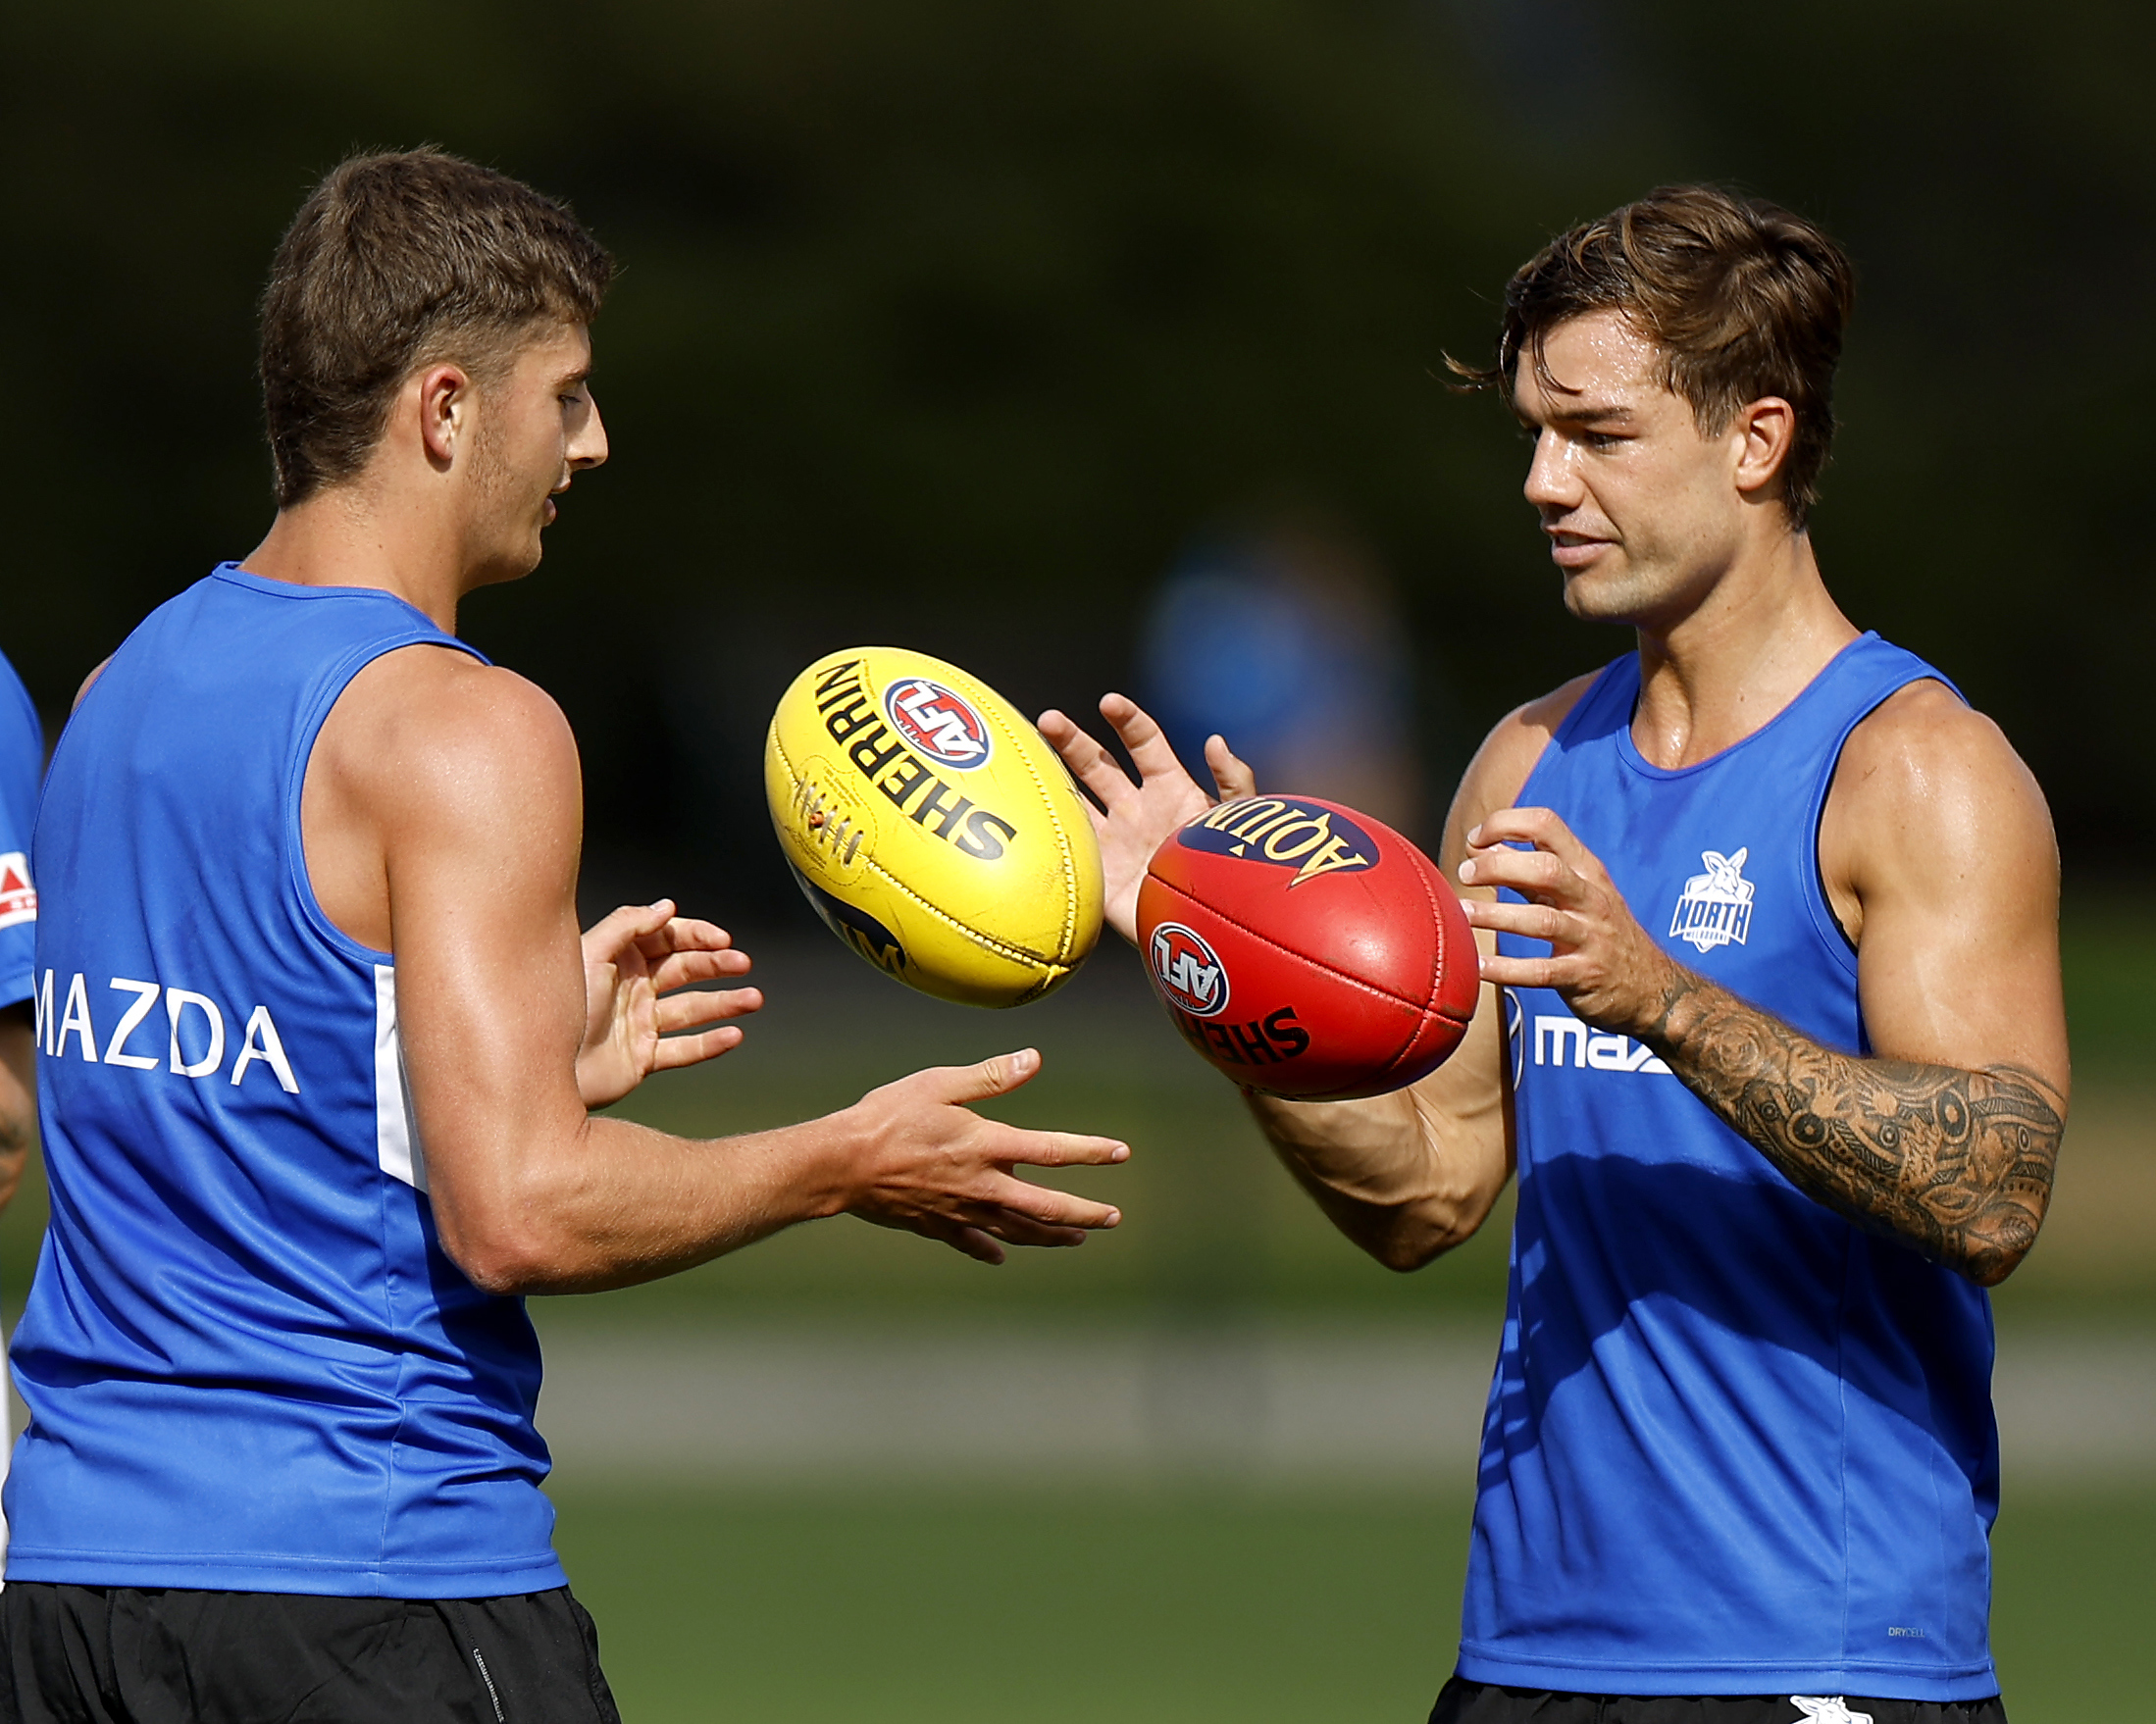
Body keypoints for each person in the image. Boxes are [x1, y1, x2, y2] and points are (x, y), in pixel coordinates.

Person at [0, 148, 1127, 1722]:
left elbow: (160, 1107)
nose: (593, 442)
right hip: (369, 1588)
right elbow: (516, 1215)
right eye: (569, 395)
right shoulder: (465, 727)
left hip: (68, 1600)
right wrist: (842, 1157)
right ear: (447, 410)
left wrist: (498, 1065)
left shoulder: (114, 694)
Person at [1042, 186, 2063, 1724]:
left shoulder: (1909, 767)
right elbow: (1425, 1190)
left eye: (1592, 434)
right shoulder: (1525, 762)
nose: (1539, 480)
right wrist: (1227, 970)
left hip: (1814, 1659)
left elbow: (1992, 1186)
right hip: (1526, 1659)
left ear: (1755, 440)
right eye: (1530, 431)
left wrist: (1657, 997)